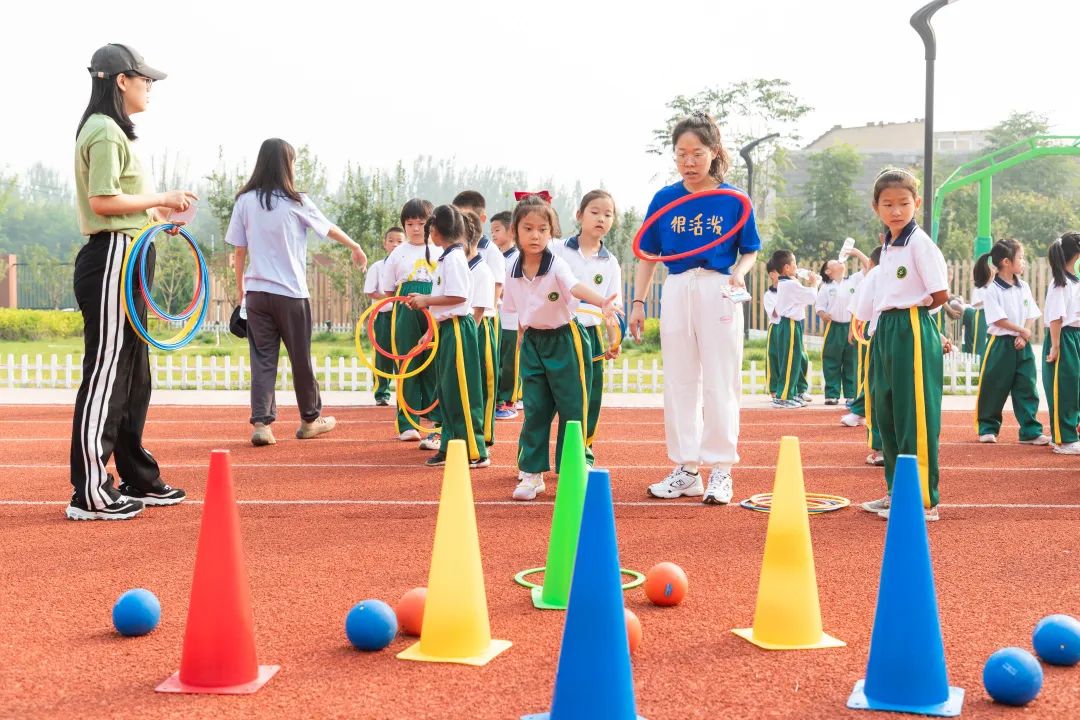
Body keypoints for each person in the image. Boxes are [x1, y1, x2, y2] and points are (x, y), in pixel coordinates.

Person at [68, 43, 194, 520]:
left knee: (134, 374)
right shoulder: (102, 130)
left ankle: (136, 476)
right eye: (145, 79)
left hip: (133, 251)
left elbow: (128, 204)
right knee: (107, 370)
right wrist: (160, 197)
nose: (149, 87)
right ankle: (91, 492)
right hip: (111, 257)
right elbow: (103, 202)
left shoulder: (116, 132)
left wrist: (162, 213)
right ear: (121, 80)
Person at [628, 112, 761, 505]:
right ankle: (687, 469)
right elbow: (647, 255)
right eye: (681, 154)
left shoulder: (733, 198)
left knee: (721, 379)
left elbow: (750, 249)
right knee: (681, 380)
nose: (689, 161)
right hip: (677, 287)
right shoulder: (664, 199)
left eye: (697, 153)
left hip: (719, 288)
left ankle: (722, 469)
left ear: (713, 153)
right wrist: (638, 303)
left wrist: (739, 273)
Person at [226, 138, 366, 447]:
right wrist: (354, 245)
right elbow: (327, 228)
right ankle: (309, 420)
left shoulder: (245, 201)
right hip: (291, 294)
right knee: (300, 358)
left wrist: (241, 290)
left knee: (263, 358)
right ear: (286, 164)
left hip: (258, 293)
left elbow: (239, 252)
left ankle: (262, 425)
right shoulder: (296, 201)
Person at [502, 196, 619, 501]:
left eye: (543, 229)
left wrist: (601, 302)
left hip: (566, 340)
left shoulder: (557, 264)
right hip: (533, 344)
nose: (536, 235)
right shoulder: (511, 269)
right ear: (516, 230)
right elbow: (516, 316)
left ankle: (573, 468)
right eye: (528, 228)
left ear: (552, 233)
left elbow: (575, 287)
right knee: (536, 410)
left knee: (572, 408)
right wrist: (517, 351)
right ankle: (531, 474)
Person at [861, 169, 949, 522]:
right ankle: (897, 491)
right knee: (888, 412)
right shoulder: (888, 243)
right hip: (886, 328)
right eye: (888, 204)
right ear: (876, 207)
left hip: (911, 325)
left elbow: (940, 293)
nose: (896, 210)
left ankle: (923, 499)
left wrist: (913, 313)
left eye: (903, 203)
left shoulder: (919, 243)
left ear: (916, 203)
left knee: (914, 414)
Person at [404, 205, 489, 468]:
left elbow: (459, 296)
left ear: (438, 231)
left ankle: (475, 451)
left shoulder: (454, 258)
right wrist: (430, 332)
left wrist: (425, 300)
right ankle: (450, 445)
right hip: (447, 329)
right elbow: (445, 304)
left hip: (459, 329)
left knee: (463, 391)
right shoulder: (447, 257)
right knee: (448, 391)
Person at [552, 190, 623, 464]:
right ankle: (533, 465)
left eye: (608, 214)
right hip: (559, 332)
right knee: (549, 401)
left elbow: (612, 309)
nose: (601, 218)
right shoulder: (557, 249)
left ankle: (580, 457)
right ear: (580, 215)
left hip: (590, 335)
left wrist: (613, 341)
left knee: (589, 400)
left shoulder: (611, 262)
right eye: (595, 212)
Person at [972, 239, 1050, 446]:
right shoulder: (992, 290)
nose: (1023, 262)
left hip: (1021, 344)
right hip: (1000, 345)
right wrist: (1020, 331)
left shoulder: (1023, 286)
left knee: (1027, 386)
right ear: (1006, 262)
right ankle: (987, 428)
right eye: (1021, 258)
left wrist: (1023, 335)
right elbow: (997, 319)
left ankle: (1030, 431)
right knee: (994, 386)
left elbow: (1031, 313)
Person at [380, 199, 439, 444]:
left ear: (431, 224)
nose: (416, 228)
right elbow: (387, 289)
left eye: (422, 223)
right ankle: (407, 422)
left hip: (435, 310)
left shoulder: (439, 250)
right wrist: (406, 300)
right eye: (410, 223)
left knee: (434, 363)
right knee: (406, 363)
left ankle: (438, 419)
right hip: (405, 310)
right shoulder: (398, 253)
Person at [462, 209, 498, 445]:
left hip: (478, 329)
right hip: (464, 330)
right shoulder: (460, 266)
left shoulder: (482, 270)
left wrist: (467, 337)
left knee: (483, 383)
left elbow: (478, 311)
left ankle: (483, 435)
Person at [1042, 233, 1080, 454]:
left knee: (1074, 386)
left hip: (1074, 336)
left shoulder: (1073, 278)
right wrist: (1055, 346)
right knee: (1064, 387)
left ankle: (1071, 432)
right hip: (1064, 337)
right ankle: (1064, 439)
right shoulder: (1061, 283)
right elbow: (1056, 317)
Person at [816, 248, 869, 406]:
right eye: (834, 262)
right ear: (828, 270)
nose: (839, 261)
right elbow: (819, 306)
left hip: (851, 326)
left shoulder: (853, 280)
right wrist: (823, 314)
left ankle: (851, 394)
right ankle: (831, 394)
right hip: (834, 327)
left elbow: (869, 266)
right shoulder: (826, 286)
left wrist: (857, 253)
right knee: (831, 360)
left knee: (851, 360)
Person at [771, 251, 819, 408]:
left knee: (797, 359)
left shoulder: (788, 283)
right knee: (790, 361)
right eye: (795, 264)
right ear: (786, 268)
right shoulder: (790, 284)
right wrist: (814, 283)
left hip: (792, 324)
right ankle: (783, 396)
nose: (797, 267)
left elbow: (802, 299)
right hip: (789, 324)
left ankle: (792, 392)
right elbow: (812, 297)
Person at [364, 227, 405, 406]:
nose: (395, 244)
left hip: (403, 314)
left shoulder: (407, 265)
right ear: (384, 243)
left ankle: (404, 394)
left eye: (399, 241)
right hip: (383, 316)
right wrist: (392, 297)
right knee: (383, 353)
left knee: (403, 353)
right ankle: (382, 393)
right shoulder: (377, 266)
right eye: (391, 241)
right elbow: (370, 291)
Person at [491, 210, 521, 419]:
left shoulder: (518, 257)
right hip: (497, 316)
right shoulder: (495, 256)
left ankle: (510, 401)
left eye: (497, 230)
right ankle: (498, 398)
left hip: (513, 317)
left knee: (511, 361)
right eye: (491, 230)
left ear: (511, 231)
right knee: (498, 358)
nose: (493, 234)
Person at [763, 260, 780, 398]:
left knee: (799, 357)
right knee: (774, 357)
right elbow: (774, 313)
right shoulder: (769, 294)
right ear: (772, 275)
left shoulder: (794, 287)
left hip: (792, 324)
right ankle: (774, 389)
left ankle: (800, 390)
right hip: (776, 327)